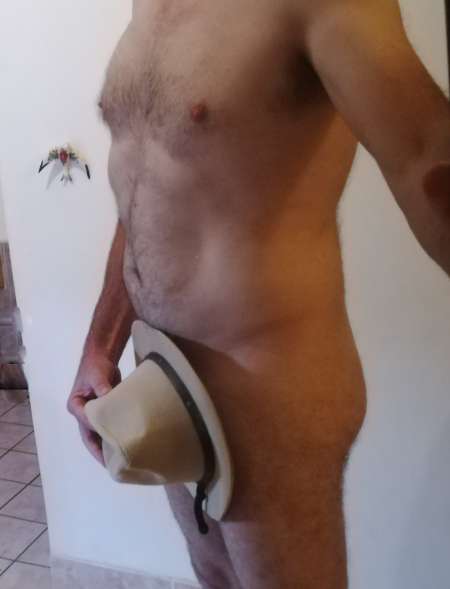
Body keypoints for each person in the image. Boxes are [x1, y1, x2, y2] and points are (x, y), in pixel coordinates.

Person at [67, 1, 450, 587]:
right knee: (214, 575)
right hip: (164, 381)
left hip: (270, 394)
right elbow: (145, 188)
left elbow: (426, 156)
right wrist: (100, 345)